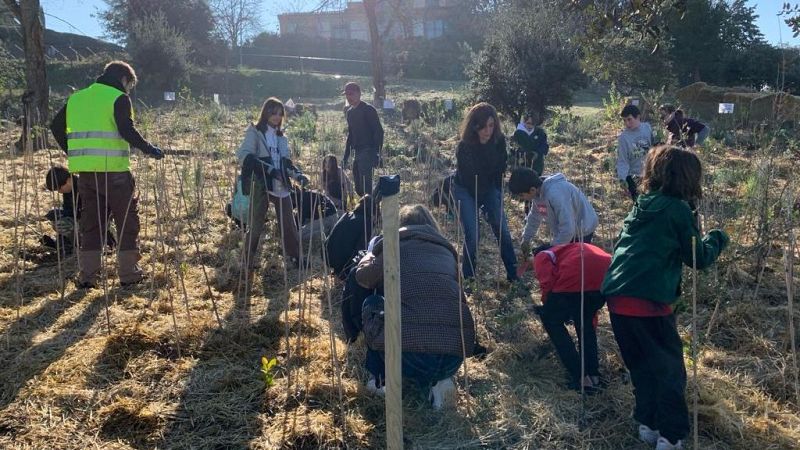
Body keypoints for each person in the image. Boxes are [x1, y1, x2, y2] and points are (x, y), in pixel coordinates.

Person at [601, 146, 729, 450]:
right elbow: (697, 257)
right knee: (670, 371)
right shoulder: (678, 209)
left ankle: (648, 422)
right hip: (650, 302)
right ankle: (670, 437)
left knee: (641, 366)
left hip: (618, 298)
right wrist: (717, 238)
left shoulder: (642, 203)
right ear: (688, 179)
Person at [50, 60, 163, 288]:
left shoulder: (76, 98)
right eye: (129, 84)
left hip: (87, 173)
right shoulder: (118, 98)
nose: (128, 89)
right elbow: (126, 130)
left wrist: (74, 153)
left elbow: (55, 126)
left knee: (92, 223)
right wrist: (149, 148)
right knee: (126, 221)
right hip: (115, 173)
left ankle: (88, 276)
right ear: (124, 79)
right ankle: (129, 274)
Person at [354, 204, 475, 409]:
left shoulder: (392, 245)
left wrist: (369, 254)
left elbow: (362, 278)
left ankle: (380, 381)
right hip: (453, 357)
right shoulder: (448, 252)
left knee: (372, 303)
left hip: (406, 356)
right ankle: (440, 381)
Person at [237, 97, 309, 270]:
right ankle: (247, 260)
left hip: (280, 183)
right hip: (262, 183)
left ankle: (296, 258)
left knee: (289, 224)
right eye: (273, 112)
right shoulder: (255, 131)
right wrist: (268, 169)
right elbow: (244, 155)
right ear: (265, 112)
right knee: (256, 224)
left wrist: (298, 175)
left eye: (279, 113)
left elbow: (285, 162)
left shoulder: (281, 136)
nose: (276, 117)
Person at [452, 102, 518, 282]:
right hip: (465, 189)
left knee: (501, 227)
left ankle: (514, 275)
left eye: (491, 125)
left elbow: (500, 169)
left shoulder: (499, 141)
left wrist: (495, 199)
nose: (487, 131)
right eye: (482, 126)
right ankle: (468, 278)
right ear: (474, 126)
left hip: (488, 187)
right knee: (473, 234)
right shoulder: (464, 147)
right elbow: (470, 178)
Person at [532, 243, 610, 392]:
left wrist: (547, 307)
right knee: (585, 325)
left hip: (576, 278)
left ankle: (580, 377)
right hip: (605, 278)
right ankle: (594, 375)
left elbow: (547, 284)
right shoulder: (570, 250)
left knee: (551, 321)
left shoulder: (543, 255)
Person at [508, 167, 598, 258]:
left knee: (573, 262)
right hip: (567, 231)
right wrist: (526, 239)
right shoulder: (537, 196)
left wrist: (552, 248)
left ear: (532, 190)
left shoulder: (555, 194)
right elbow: (534, 217)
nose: (521, 198)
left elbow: (568, 228)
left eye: (521, 195)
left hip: (583, 230)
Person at [43, 166, 116, 255]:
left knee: (63, 224)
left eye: (59, 188)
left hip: (100, 224)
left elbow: (93, 213)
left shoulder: (85, 188)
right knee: (58, 222)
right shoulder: (69, 191)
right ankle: (71, 244)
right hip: (85, 222)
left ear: (68, 180)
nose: (59, 192)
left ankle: (94, 245)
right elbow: (70, 210)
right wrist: (59, 213)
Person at [324, 193, 380, 280]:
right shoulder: (367, 222)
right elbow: (361, 249)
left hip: (327, 255)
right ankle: (344, 273)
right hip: (342, 261)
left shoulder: (346, 215)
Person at [343, 82, 384, 196]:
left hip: (368, 151)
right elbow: (351, 135)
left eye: (351, 94)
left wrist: (377, 152)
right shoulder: (350, 112)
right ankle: (375, 200)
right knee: (359, 189)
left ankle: (371, 211)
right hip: (357, 152)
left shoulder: (368, 109)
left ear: (359, 94)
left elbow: (378, 131)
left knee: (366, 189)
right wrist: (346, 156)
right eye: (347, 94)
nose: (349, 97)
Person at [617, 104, 653, 201]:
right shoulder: (623, 138)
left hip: (650, 174)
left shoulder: (647, 128)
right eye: (624, 120)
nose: (627, 123)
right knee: (639, 203)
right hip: (634, 177)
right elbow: (622, 160)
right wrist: (622, 179)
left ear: (638, 117)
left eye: (629, 119)